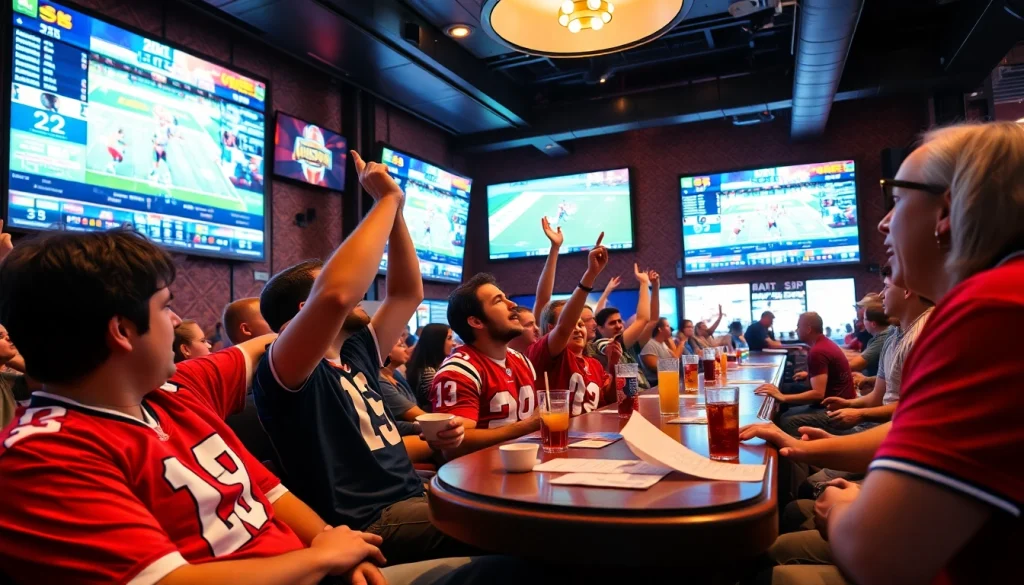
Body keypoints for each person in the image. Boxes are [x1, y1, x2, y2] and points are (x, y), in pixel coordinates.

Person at [0, 228, 397, 585]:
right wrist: (322, 559)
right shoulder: (43, 455)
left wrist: (333, 546)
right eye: (164, 306)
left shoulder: (175, 389)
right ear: (121, 331)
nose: (175, 321)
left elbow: (267, 491)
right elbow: (168, 581)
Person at [742, 122, 1024, 585]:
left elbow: (876, 556)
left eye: (896, 201)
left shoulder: (990, 310)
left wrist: (843, 509)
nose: (883, 222)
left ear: (947, 209)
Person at [252, 151, 467, 565]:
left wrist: (398, 209)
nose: (359, 288)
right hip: (368, 522)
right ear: (303, 312)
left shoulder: (355, 352)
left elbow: (406, 293)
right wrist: (383, 201)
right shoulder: (288, 369)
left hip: (409, 498)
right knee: (512, 523)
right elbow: (336, 295)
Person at [430, 273, 540, 456]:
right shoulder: (458, 371)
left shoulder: (520, 359)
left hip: (526, 462)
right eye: (499, 301)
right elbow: (454, 445)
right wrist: (526, 427)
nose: (512, 304)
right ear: (476, 321)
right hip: (480, 476)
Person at [822, 280, 933, 432]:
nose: (881, 295)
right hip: (881, 423)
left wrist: (860, 414)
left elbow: (916, 409)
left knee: (792, 424)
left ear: (906, 291)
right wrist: (849, 404)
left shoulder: (924, 333)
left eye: (886, 287)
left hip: (899, 430)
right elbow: (876, 397)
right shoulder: (893, 333)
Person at [529, 237, 619, 416]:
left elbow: (610, 400)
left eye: (580, 324)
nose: (577, 328)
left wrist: (613, 366)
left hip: (595, 435)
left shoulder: (593, 363)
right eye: (572, 323)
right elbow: (561, 324)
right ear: (550, 327)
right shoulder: (545, 353)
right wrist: (590, 274)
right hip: (561, 436)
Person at [754, 312, 854, 437]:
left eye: (798, 326)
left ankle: (804, 453)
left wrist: (783, 397)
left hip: (837, 411)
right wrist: (809, 374)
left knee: (786, 420)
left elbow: (818, 394)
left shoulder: (817, 351)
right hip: (841, 404)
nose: (796, 330)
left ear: (808, 329)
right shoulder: (825, 344)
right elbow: (829, 373)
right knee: (785, 412)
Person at [589, 263, 653, 387]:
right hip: (628, 398)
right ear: (599, 328)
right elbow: (643, 319)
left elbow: (599, 315)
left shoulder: (623, 345)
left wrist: (607, 291)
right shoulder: (604, 344)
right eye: (612, 323)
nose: (619, 325)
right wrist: (644, 284)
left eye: (619, 321)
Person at [406, 323, 455, 411]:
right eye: (449, 338)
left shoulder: (434, 367)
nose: (453, 343)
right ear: (437, 341)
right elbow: (441, 401)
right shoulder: (429, 372)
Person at [379, 337, 427, 426]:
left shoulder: (396, 374)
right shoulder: (381, 383)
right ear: (387, 351)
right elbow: (420, 417)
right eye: (401, 345)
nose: (406, 349)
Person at [845, 304, 893, 376]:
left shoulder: (882, 338)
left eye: (864, 319)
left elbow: (855, 365)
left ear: (873, 324)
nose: (861, 323)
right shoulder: (881, 335)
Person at [640, 317, 685, 382]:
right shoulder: (650, 345)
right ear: (660, 329)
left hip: (670, 380)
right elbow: (659, 368)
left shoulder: (663, 344)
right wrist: (682, 342)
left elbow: (676, 360)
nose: (670, 328)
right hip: (658, 384)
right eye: (667, 326)